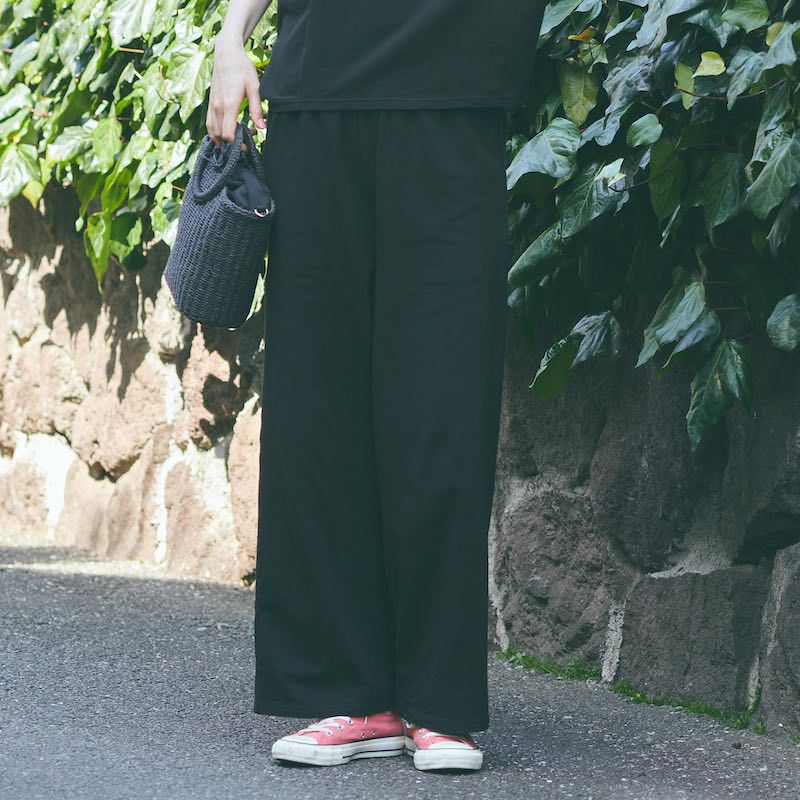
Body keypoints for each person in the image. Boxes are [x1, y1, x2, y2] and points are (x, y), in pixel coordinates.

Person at [207, 0, 546, 773]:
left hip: (454, 98)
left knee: (443, 406)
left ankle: (439, 704)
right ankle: (356, 697)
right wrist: (231, 38)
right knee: (320, 408)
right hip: (319, 96)